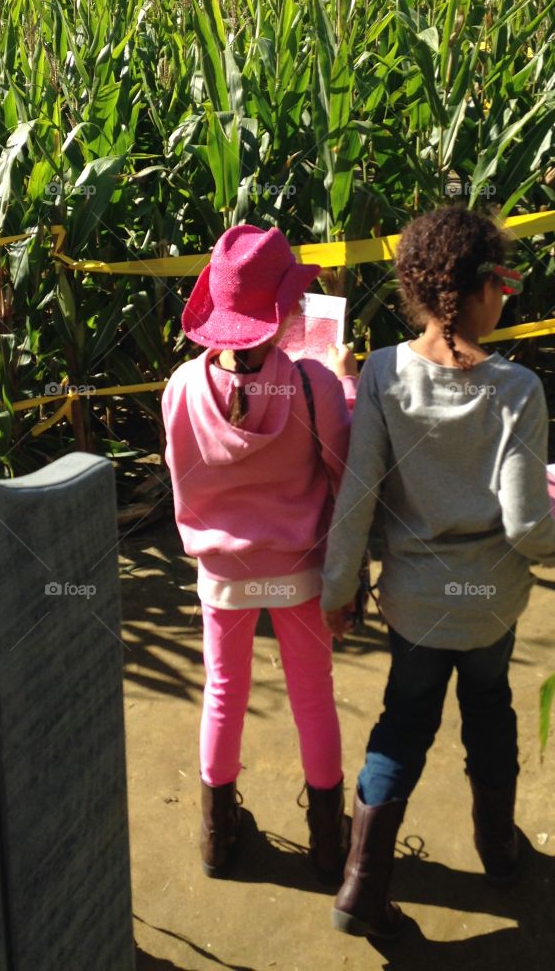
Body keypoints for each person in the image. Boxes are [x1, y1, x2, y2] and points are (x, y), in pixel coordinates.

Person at [320, 205, 555, 940]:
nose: (509, 295)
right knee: (490, 710)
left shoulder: (381, 373)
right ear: (471, 289)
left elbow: (357, 496)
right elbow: (528, 526)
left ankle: (361, 882)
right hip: (490, 606)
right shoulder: (518, 390)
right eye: (503, 280)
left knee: (402, 723)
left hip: (413, 603)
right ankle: (498, 852)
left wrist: (337, 593)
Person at [162, 224, 358, 881]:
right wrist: (346, 382)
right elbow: (344, 466)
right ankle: (329, 842)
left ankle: (217, 834)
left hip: (222, 576)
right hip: (297, 573)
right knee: (313, 695)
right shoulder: (314, 387)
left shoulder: (180, 388)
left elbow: (183, 475)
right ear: (282, 315)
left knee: (222, 693)